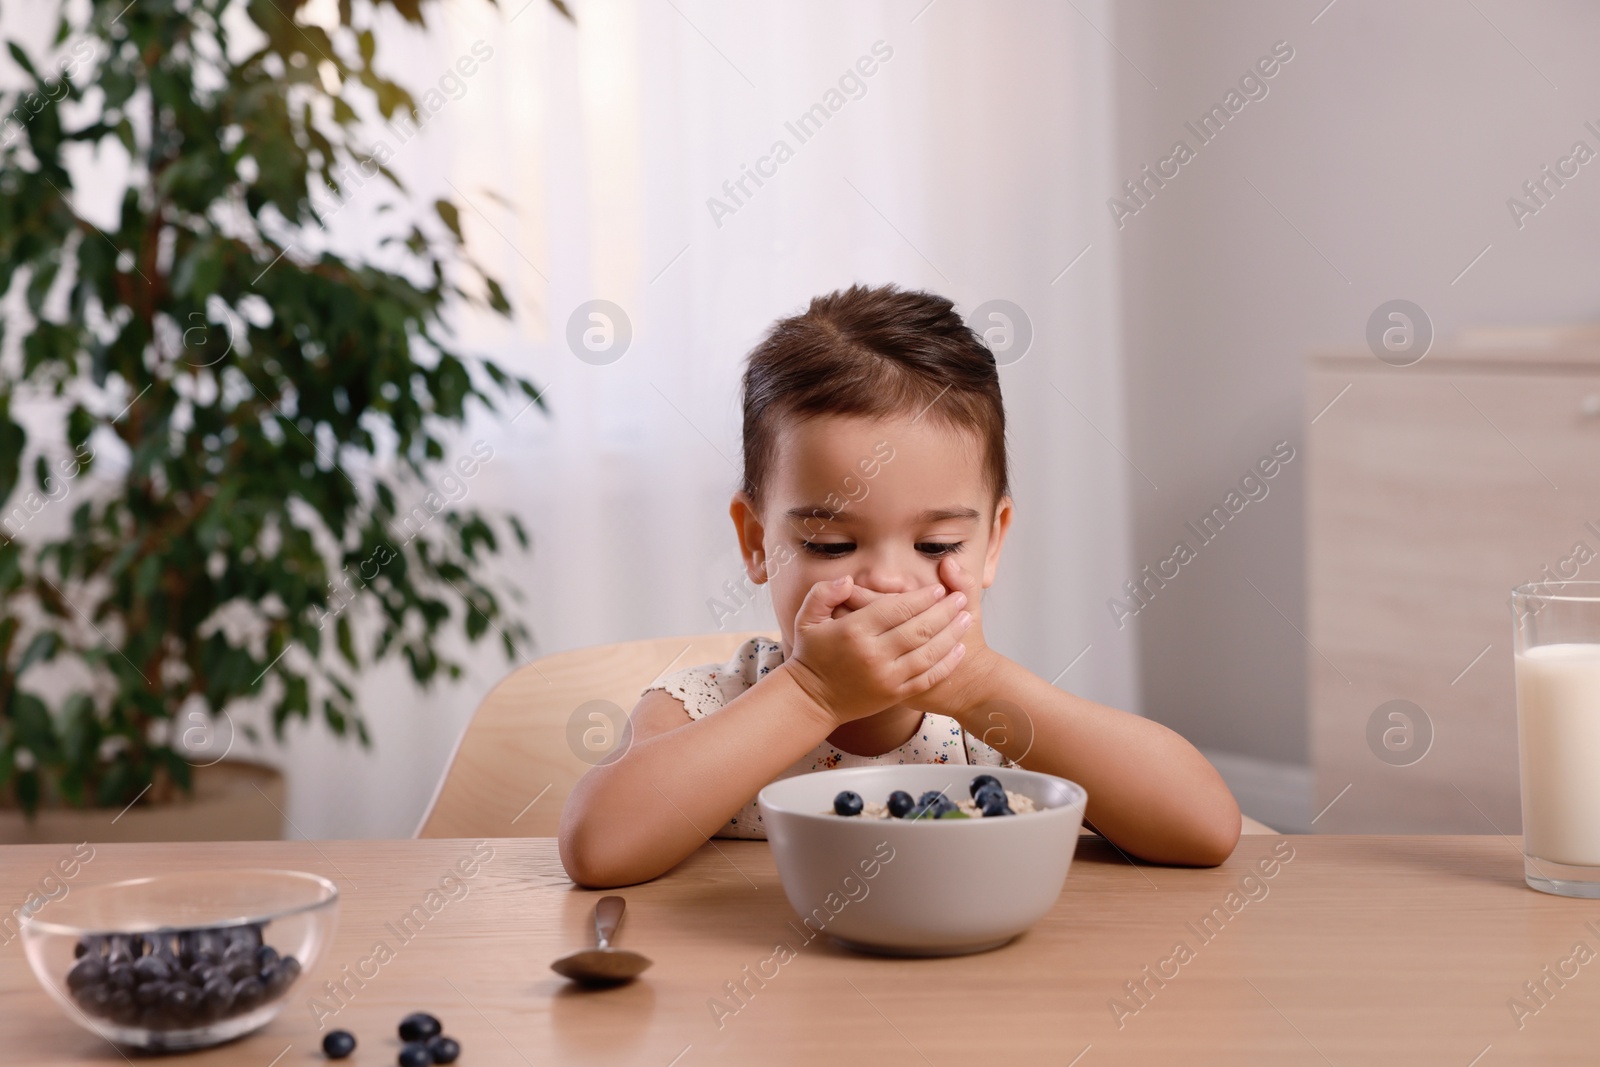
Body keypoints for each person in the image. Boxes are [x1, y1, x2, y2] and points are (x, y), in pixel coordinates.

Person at [559, 283, 1240, 888]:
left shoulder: (992, 728)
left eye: (937, 545)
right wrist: (810, 693)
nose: (886, 580)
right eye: (830, 543)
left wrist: (977, 686)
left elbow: (1205, 827)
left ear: (992, 542)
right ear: (755, 540)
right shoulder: (709, 707)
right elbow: (596, 848)